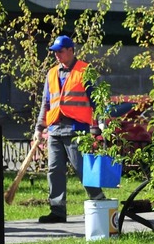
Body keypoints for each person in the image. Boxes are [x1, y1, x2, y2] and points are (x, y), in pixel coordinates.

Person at [33, 35, 105, 223]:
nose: (57, 55)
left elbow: (96, 100)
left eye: (60, 51)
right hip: (55, 129)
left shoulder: (85, 70)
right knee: (54, 169)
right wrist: (39, 128)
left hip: (77, 130)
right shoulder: (51, 74)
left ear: (71, 51)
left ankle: (99, 202)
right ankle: (57, 211)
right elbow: (46, 103)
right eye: (55, 52)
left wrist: (100, 124)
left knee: (82, 168)